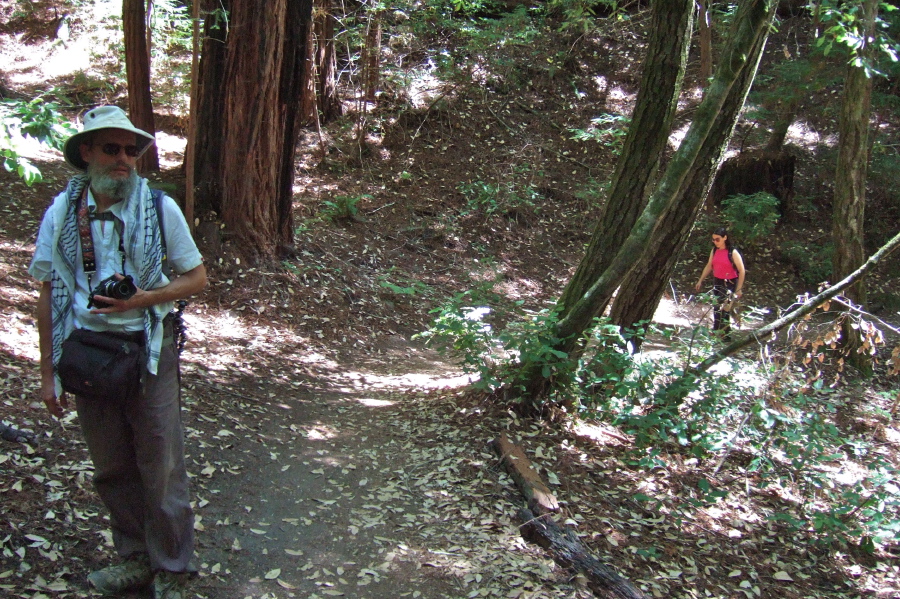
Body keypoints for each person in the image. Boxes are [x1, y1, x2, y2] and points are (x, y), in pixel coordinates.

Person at [29, 106, 206, 599]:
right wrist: (49, 373)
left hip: (148, 348)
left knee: (161, 460)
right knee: (111, 464)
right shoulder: (63, 212)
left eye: (132, 150)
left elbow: (197, 277)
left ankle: (173, 567)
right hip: (88, 352)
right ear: (86, 153)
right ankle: (133, 558)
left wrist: (142, 299)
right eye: (112, 148)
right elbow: (47, 291)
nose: (124, 159)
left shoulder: (158, 208)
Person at [694, 227, 745, 340]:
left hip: (730, 283)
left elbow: (741, 270)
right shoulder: (715, 250)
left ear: (725, 238)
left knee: (725, 309)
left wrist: (739, 288)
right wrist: (700, 280)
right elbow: (709, 265)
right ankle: (716, 331)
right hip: (718, 281)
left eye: (717, 239)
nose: (715, 242)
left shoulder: (733, 252)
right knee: (716, 307)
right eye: (713, 240)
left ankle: (725, 335)